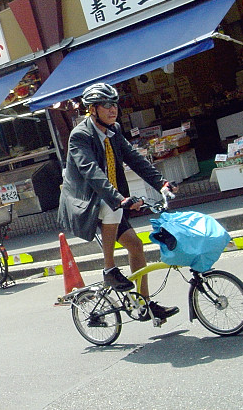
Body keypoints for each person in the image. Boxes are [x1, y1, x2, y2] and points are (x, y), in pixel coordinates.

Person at [57, 82, 180, 321]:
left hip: (111, 202)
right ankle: (109, 269)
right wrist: (119, 199)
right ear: (92, 109)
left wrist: (162, 183)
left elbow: (135, 159)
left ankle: (143, 304)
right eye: (105, 105)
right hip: (88, 204)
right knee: (112, 208)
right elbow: (90, 171)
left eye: (114, 104)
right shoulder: (80, 135)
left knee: (136, 246)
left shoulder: (114, 131)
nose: (112, 109)